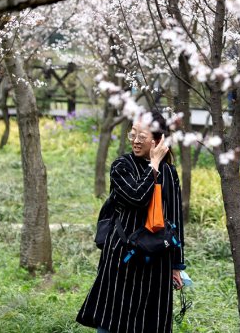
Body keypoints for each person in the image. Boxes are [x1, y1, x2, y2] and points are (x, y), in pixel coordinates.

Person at [77, 114, 186, 333]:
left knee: (151, 320)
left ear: (157, 140)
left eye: (142, 136)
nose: (135, 140)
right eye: (133, 134)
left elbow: (175, 219)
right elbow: (137, 197)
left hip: (157, 258)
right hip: (123, 254)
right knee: (113, 315)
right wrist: (154, 165)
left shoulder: (169, 172)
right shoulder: (121, 166)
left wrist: (177, 265)